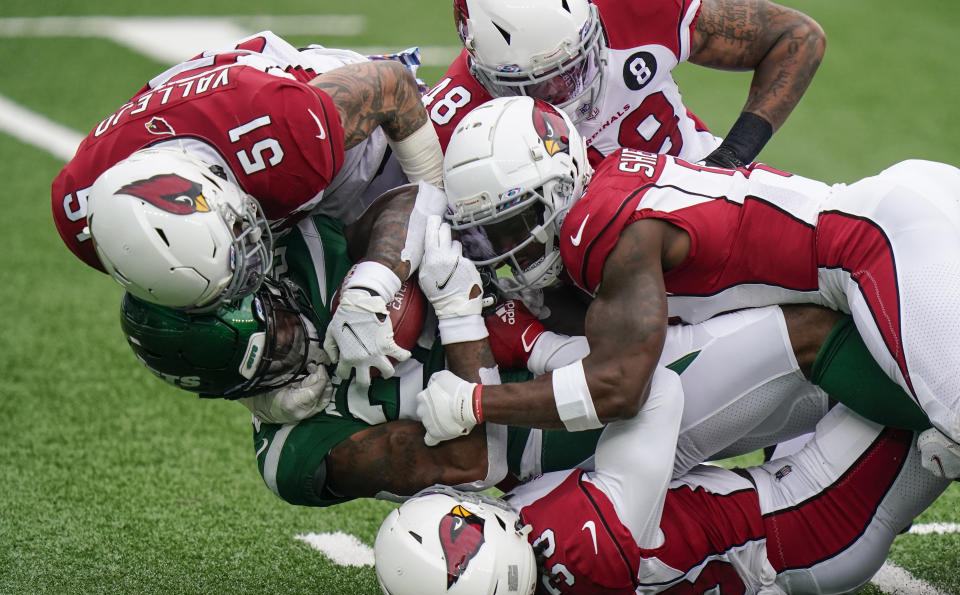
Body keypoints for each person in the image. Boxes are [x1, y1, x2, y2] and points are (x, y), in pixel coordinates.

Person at [118, 190, 928, 505]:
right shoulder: (292, 456)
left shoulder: (301, 260)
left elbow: (398, 201)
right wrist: (457, 306)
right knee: (810, 340)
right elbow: (456, 456)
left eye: (284, 318)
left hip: (561, 348)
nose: (299, 333)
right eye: (279, 350)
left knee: (814, 333)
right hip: (563, 459)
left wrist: (378, 272)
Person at [419, 96, 959, 480]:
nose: (506, 247)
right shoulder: (605, 189)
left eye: (516, 223)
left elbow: (620, 388)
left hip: (880, 245)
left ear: (559, 190)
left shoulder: (603, 232)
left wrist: (475, 402)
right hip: (888, 230)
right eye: (489, 233)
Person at [375, 371, 950, 595]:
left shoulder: (547, 586)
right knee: (933, 374)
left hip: (785, 513)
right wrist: (548, 353)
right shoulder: (580, 542)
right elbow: (656, 392)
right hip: (809, 521)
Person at [51, 31, 446, 383]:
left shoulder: (283, 134)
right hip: (255, 153)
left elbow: (394, 85)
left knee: (453, 249)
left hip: (352, 142)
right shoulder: (79, 215)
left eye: (240, 236)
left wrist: (435, 210)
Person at [427, 0, 825, 168]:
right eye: (535, 84)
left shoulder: (627, 8)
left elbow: (797, 38)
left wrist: (728, 161)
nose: (562, 91)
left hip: (708, 196)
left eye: (573, 66)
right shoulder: (452, 114)